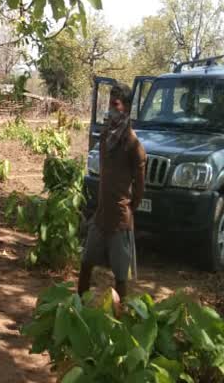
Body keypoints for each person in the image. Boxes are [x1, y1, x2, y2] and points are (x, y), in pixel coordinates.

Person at [78, 83, 146, 303]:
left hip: (119, 218)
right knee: (86, 263)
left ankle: (121, 319)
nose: (111, 109)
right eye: (110, 104)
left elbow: (139, 187)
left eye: (115, 104)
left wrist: (128, 208)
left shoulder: (133, 144)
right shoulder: (107, 134)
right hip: (101, 215)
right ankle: (78, 306)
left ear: (125, 107)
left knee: (120, 276)